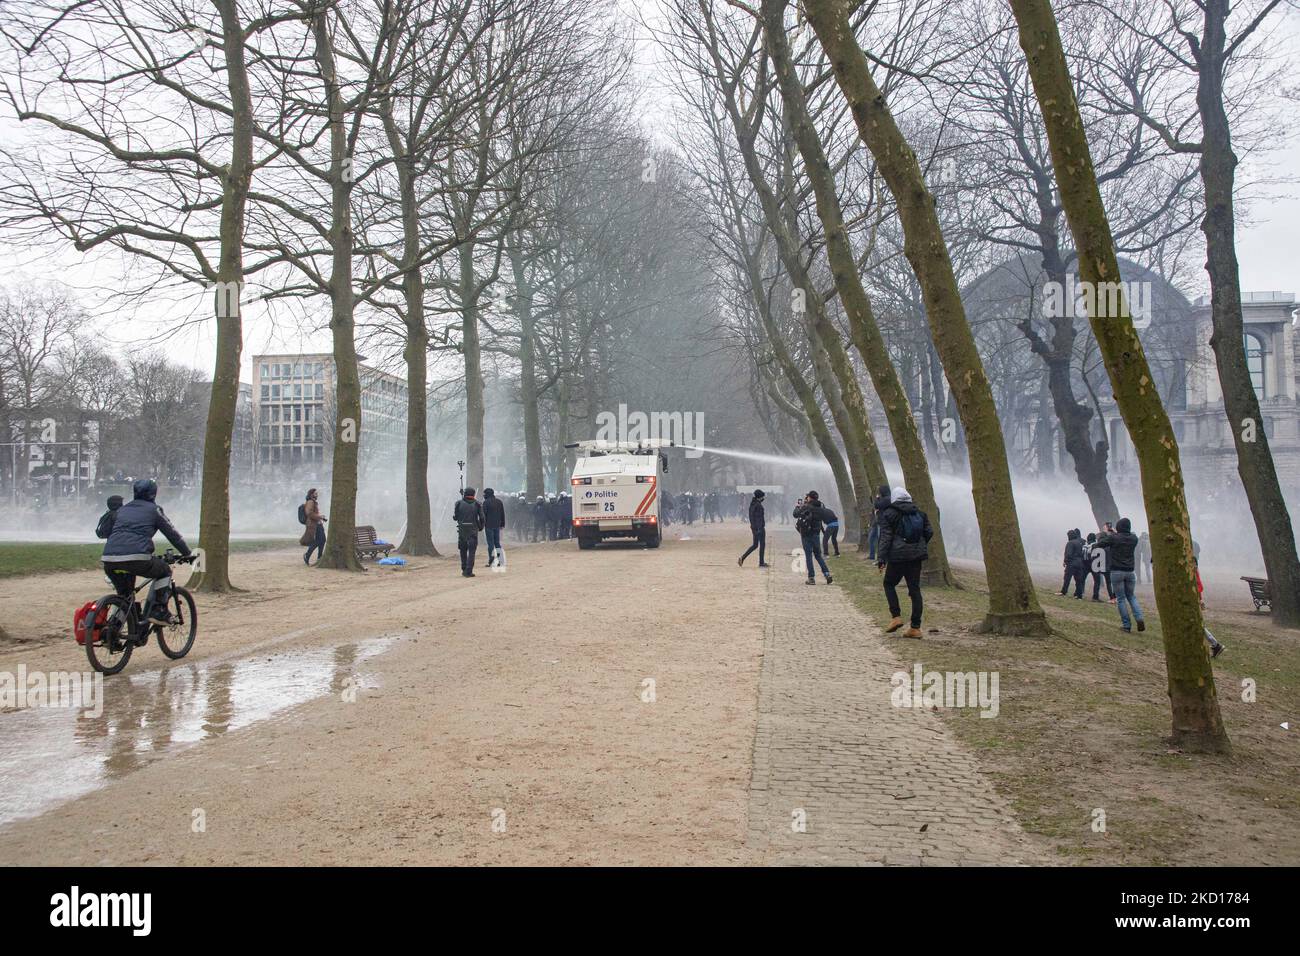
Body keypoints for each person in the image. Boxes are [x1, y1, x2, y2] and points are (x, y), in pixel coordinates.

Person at [101, 478, 193, 627]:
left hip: (109, 559)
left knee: (125, 596)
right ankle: (158, 610)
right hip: (137, 558)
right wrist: (187, 553)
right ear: (153, 494)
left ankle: (113, 630)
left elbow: (111, 532)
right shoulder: (154, 510)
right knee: (164, 570)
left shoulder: (122, 510)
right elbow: (173, 535)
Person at [875, 486, 933, 639]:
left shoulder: (889, 514)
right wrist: (918, 546)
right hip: (916, 557)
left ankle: (896, 617)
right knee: (914, 589)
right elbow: (929, 532)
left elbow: (886, 537)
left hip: (897, 556)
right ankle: (915, 628)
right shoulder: (920, 513)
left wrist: (881, 558)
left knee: (889, 584)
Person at [1098, 517, 1144, 632]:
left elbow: (1101, 544)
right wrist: (1115, 533)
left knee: (1121, 599)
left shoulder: (1114, 538)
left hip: (1117, 571)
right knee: (1131, 596)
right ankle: (1139, 618)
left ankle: (1126, 625)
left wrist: (1107, 533)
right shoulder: (1134, 538)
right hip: (1130, 572)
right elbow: (1123, 537)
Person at [792, 490, 834, 585]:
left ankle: (811, 578)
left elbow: (795, 514)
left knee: (808, 556)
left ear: (809, 498)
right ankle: (827, 574)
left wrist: (798, 506)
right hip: (816, 534)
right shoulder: (820, 507)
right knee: (818, 555)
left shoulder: (806, 506)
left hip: (806, 534)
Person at [453, 487, 485, 577]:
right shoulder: (478, 504)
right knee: (471, 552)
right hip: (473, 530)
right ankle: (469, 570)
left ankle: (463, 568)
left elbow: (456, 517)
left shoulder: (458, 503)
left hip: (462, 530)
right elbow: (482, 517)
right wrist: (481, 527)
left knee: (463, 550)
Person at [738, 489, 769, 567]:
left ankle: (742, 558)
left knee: (755, 545)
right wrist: (760, 529)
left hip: (753, 527)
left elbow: (752, 517)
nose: (763, 498)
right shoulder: (758, 506)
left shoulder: (752, 504)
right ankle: (761, 562)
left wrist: (754, 527)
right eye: (762, 497)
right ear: (760, 497)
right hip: (759, 528)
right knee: (762, 545)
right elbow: (759, 518)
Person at [300, 488, 327, 565]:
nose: (317, 495)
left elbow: (313, 513)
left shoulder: (314, 502)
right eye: (315, 493)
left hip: (318, 523)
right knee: (319, 540)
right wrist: (320, 517)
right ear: (311, 494)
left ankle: (319, 558)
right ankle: (307, 555)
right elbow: (309, 513)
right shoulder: (310, 502)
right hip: (314, 524)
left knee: (322, 540)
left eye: (317, 493)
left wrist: (320, 517)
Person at [482, 488, 506, 567]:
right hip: (497, 525)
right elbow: (502, 514)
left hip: (488, 525)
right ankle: (500, 560)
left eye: (484, 494)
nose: (483, 495)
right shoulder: (499, 502)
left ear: (487, 494)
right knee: (497, 543)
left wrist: (481, 524)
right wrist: (502, 524)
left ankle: (491, 561)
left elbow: (483, 515)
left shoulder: (486, 503)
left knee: (490, 544)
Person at [1060, 528, 1087, 598]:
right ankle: (1079, 595)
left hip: (1071, 563)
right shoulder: (1080, 543)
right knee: (1078, 580)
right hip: (1080, 563)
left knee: (1067, 578)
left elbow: (1068, 554)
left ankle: (1064, 591)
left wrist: (1065, 561)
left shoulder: (1070, 543)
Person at [867, 484, 890, 561]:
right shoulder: (883, 498)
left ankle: (881, 559)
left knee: (880, 540)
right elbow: (873, 503)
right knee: (871, 538)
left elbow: (877, 505)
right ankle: (872, 556)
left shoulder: (887, 499)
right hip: (876, 521)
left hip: (882, 522)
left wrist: (877, 498)